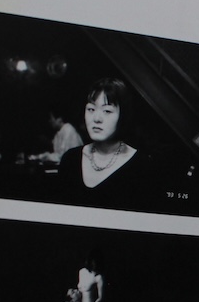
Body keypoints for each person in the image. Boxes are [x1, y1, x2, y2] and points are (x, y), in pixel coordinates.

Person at [57, 77, 152, 209]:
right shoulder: (70, 159)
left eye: (107, 111)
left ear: (123, 116)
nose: (96, 118)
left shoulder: (141, 167)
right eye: (91, 109)